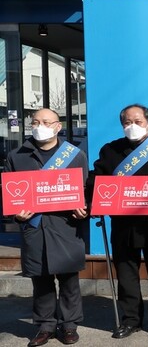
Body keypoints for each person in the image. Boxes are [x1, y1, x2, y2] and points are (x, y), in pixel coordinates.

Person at [89, 103, 148, 339]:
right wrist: (93, 203)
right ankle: (131, 320)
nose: (132, 126)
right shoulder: (110, 150)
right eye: (127, 122)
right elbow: (96, 181)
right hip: (123, 225)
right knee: (126, 274)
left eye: (138, 122)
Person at [5, 109, 89, 347]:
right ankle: (45, 326)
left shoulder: (75, 155)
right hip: (34, 227)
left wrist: (84, 209)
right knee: (40, 280)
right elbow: (10, 194)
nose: (39, 125)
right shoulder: (16, 155)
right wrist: (16, 214)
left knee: (69, 280)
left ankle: (69, 325)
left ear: (57, 126)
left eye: (45, 122)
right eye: (35, 122)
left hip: (65, 226)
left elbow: (84, 192)